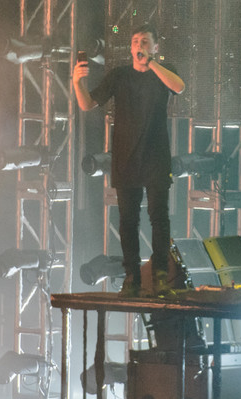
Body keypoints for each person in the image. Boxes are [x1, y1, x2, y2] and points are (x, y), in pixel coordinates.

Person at [73, 24, 185, 298]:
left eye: (145, 41)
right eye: (135, 42)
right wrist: (78, 82)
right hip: (125, 158)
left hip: (156, 157)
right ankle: (132, 277)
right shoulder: (119, 76)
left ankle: (160, 276)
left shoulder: (163, 71)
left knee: (158, 218)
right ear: (130, 48)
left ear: (155, 47)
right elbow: (88, 104)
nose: (139, 46)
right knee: (128, 221)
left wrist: (153, 64)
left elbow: (179, 88)